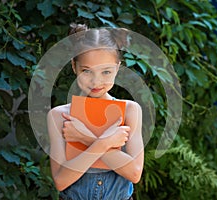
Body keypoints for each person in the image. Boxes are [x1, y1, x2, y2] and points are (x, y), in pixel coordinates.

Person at [47, 23, 144, 200]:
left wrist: (85, 137)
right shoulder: (58, 116)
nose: (96, 81)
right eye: (87, 71)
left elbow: (135, 174)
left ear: (118, 68)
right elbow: (61, 181)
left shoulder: (131, 111)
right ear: (74, 66)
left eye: (106, 72)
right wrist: (105, 142)